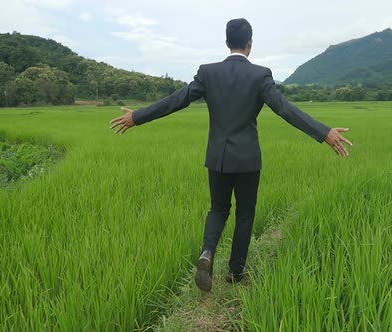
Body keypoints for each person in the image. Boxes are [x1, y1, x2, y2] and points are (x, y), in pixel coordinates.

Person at [109, 18, 352, 292]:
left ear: (227, 43)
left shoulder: (208, 73)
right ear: (250, 44)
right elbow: (286, 110)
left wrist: (137, 117)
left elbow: (177, 100)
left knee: (218, 209)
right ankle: (235, 272)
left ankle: (207, 253)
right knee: (245, 214)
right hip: (248, 159)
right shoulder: (260, 75)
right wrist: (324, 132)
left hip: (218, 157)